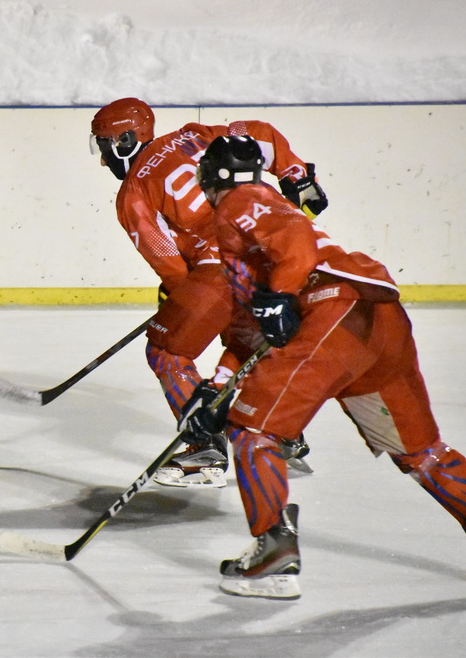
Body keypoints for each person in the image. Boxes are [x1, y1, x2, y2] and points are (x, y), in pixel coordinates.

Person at [186, 135, 466, 599]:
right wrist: (217, 386)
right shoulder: (255, 222)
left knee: (254, 431)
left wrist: (282, 293)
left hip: (333, 313)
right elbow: (257, 328)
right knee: (419, 450)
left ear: (208, 179)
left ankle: (274, 552)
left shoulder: (241, 202)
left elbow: (295, 240)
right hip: (377, 326)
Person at [89, 97, 324, 488]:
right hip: (279, 252)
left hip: (221, 266)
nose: (103, 160)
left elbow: (167, 260)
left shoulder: (133, 192)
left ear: (126, 142)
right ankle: (277, 430)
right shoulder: (192, 135)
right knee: (246, 339)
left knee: (166, 350)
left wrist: (179, 298)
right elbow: (257, 134)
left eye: (105, 146)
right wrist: (296, 174)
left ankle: (204, 449)